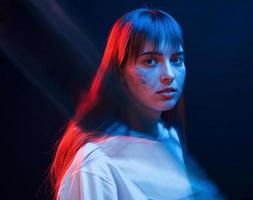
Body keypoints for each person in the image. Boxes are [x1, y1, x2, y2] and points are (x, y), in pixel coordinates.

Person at [50, 8, 224, 200]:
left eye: (176, 60)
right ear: (120, 72)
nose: (169, 75)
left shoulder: (169, 138)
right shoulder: (95, 166)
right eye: (150, 61)